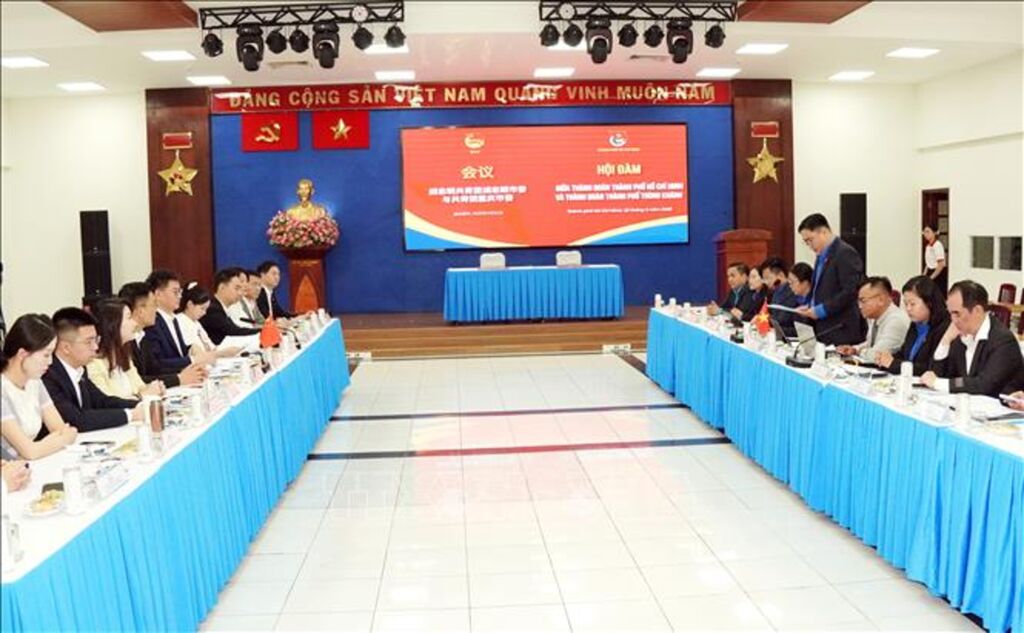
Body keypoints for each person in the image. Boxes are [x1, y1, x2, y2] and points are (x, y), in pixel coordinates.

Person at [42, 308, 142, 434]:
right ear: (66, 348)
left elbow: (102, 401)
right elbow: (76, 420)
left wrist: (140, 404)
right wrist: (130, 415)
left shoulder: (80, 369)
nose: (95, 347)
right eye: (88, 342)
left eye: (96, 340)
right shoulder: (48, 376)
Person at [921, 280, 1024, 396]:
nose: (953, 320)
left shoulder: (1003, 340)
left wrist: (938, 383)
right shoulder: (960, 336)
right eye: (950, 314)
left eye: (957, 313)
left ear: (977, 311)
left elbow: (984, 384)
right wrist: (945, 340)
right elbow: (939, 374)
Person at [1, 314, 78, 460]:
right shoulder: (3, 390)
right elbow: (30, 452)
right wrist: (57, 441)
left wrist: (43, 445)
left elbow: (63, 429)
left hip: (30, 465)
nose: (50, 362)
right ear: (22, 354)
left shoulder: (34, 382)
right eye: (46, 355)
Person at [795, 213, 865, 345]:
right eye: (806, 242)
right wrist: (810, 306)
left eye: (810, 240)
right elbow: (820, 289)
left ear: (823, 232)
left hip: (840, 328)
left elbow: (850, 291)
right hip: (823, 327)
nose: (809, 245)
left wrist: (821, 310)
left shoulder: (845, 253)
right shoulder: (820, 256)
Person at [120, 282, 206, 387]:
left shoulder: (141, 336)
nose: (156, 310)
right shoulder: (125, 340)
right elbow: (137, 380)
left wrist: (189, 371)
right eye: (154, 305)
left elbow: (154, 369)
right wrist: (178, 379)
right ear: (141, 311)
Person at [87, 299, 163, 400]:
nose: (134, 323)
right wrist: (141, 396)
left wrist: (154, 389)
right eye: (129, 317)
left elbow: (141, 387)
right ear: (113, 325)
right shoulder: (93, 365)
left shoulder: (124, 357)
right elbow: (108, 403)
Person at [876, 275, 950, 376]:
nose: (908, 309)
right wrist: (886, 358)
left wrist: (893, 364)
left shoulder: (944, 328)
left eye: (912, 304)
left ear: (929, 302)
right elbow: (904, 354)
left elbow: (930, 369)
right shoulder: (915, 325)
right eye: (906, 304)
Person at [837, 277, 910, 363]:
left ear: (881, 300)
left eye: (863, 301)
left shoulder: (896, 321)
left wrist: (859, 352)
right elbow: (871, 343)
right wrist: (855, 349)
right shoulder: (876, 317)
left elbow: (876, 356)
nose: (860, 306)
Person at [145, 269, 204, 371]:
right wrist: (192, 360)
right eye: (175, 292)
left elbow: (177, 352)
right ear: (158, 294)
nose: (180, 296)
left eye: (180, 292)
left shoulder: (173, 318)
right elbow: (157, 363)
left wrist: (190, 348)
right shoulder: (151, 322)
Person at [177, 283, 243, 359]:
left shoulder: (196, 323)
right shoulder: (180, 322)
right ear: (190, 304)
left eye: (206, 309)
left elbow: (210, 346)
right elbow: (196, 353)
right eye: (202, 308)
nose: (204, 313)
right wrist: (221, 353)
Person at [201, 268, 262, 346]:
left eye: (241, 289)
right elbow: (234, 331)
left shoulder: (221, 307)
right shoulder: (212, 309)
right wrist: (263, 331)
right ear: (222, 287)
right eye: (236, 288)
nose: (240, 293)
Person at [762, 258, 801, 336]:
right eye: (764, 279)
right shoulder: (774, 293)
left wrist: (773, 328)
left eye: (768, 278)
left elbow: (784, 320)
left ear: (780, 275)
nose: (766, 282)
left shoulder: (794, 291)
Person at [922, 223, 948, 295]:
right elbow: (928, 263)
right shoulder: (928, 246)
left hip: (938, 274)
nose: (925, 234)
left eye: (928, 232)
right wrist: (924, 276)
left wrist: (931, 278)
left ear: (934, 233)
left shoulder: (937, 245)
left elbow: (941, 264)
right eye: (924, 232)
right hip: (930, 272)